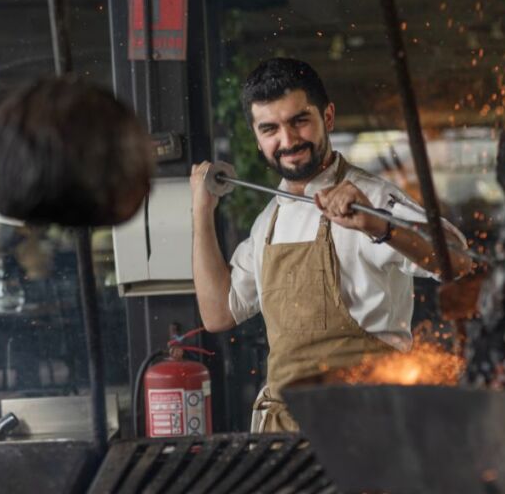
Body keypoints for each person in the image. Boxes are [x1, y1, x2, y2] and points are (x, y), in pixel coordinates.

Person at [190, 58, 472, 432]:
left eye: (299, 121)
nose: (287, 141)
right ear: (257, 139)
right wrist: (201, 212)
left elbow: (459, 260)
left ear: (329, 117)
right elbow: (219, 314)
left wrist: (377, 224)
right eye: (270, 129)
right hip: (286, 434)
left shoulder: (370, 197)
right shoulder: (268, 223)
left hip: (366, 424)